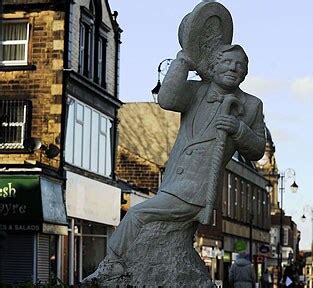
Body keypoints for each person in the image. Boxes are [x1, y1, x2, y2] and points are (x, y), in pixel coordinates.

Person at [85, 44, 266, 282]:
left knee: (138, 214)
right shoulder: (196, 91)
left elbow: (257, 150)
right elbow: (167, 99)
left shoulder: (252, 105)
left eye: (239, 65)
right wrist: (183, 61)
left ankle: (113, 265)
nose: (233, 68)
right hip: (174, 179)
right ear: (213, 65)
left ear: (245, 73)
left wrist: (238, 129)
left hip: (197, 188)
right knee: (153, 228)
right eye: (227, 62)